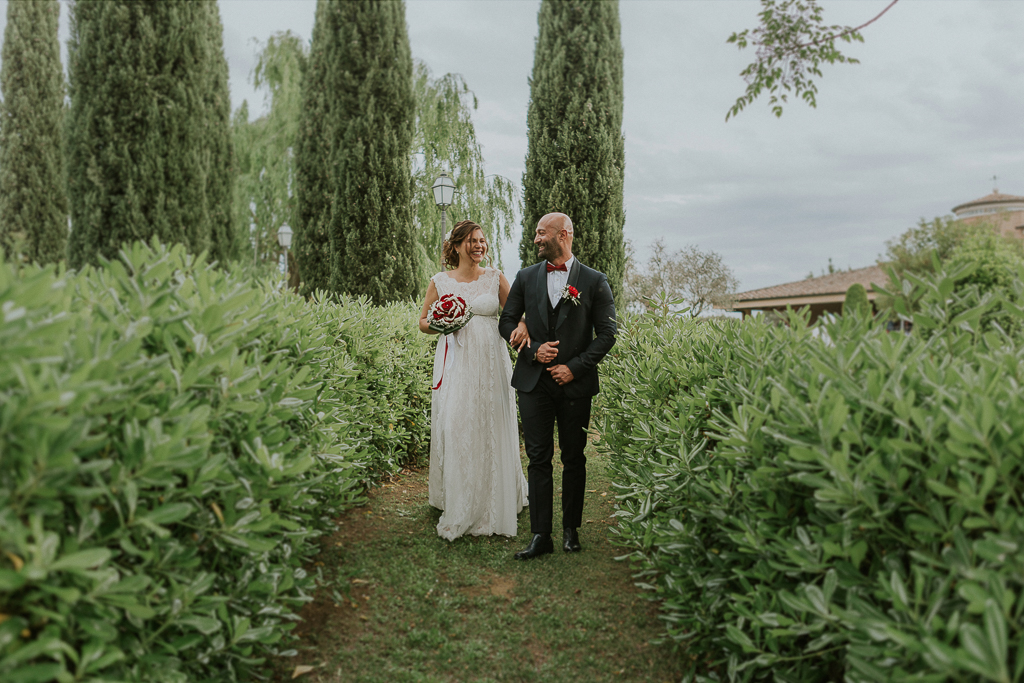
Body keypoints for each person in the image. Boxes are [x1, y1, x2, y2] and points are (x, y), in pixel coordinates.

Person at [498, 212, 617, 559]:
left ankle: (570, 530)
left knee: (574, 457)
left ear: (563, 234)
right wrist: (532, 350)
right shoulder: (525, 277)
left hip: (574, 385)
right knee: (538, 458)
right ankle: (540, 535)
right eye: (535, 233)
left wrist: (574, 368)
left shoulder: (595, 281)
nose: (535, 239)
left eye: (541, 233)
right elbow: (507, 321)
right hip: (532, 382)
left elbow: (608, 333)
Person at [418, 220, 531, 540]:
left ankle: (495, 497)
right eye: (471, 241)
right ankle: (458, 496)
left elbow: (516, 315)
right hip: (456, 362)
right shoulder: (440, 281)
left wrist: (522, 327)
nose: (478, 245)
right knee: (456, 424)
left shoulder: (495, 278)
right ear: (455, 246)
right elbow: (423, 322)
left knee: (489, 423)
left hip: (491, 362)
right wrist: (442, 323)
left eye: (482, 240)